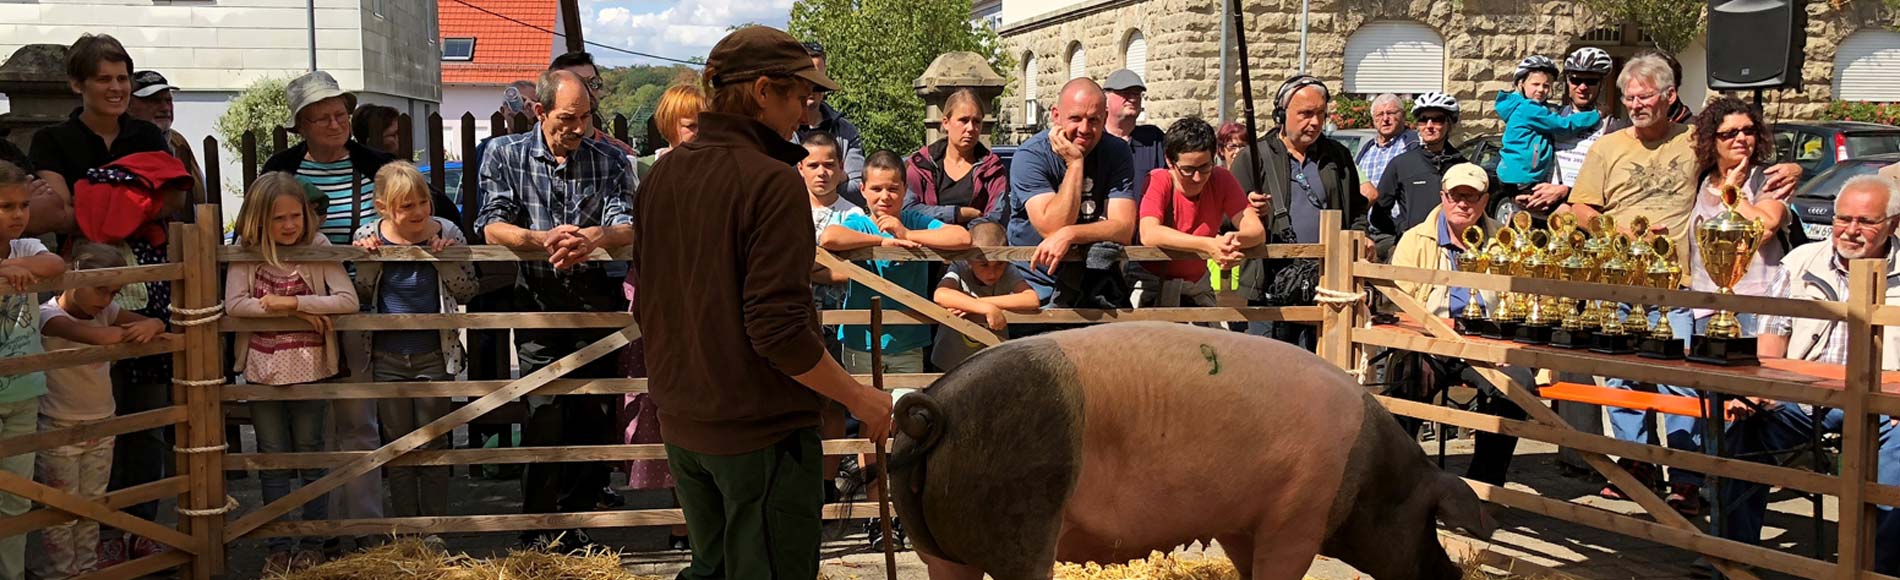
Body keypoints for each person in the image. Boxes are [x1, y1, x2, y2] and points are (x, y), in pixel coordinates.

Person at [634, 26, 894, 580]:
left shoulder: (663, 174)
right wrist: (862, 400)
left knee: (712, 568)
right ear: (760, 91)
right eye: (798, 94)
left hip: (684, 426)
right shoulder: (773, 181)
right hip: (759, 436)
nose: (805, 110)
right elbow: (778, 330)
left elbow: (649, 304)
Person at [1570, 55, 1801, 506]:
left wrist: (1794, 169)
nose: (1635, 105)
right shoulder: (1606, 147)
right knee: (1620, 378)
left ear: (1669, 96)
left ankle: (1686, 475)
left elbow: (1740, 154)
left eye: (1644, 96)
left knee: (1679, 380)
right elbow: (1581, 208)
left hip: (1679, 286)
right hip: (1620, 283)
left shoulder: (1693, 141)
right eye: (1628, 97)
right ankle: (1635, 463)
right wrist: (1620, 233)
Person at [475, 69, 635, 549]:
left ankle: (579, 525)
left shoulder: (609, 158)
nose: (579, 127)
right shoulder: (504, 154)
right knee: (543, 413)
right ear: (540, 111)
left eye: (586, 116)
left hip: (595, 300)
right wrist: (541, 239)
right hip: (537, 299)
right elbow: (492, 223)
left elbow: (626, 223)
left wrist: (594, 237)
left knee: (594, 413)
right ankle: (538, 527)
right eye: (568, 118)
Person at [1726, 174, 1900, 575]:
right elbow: (1771, 339)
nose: (1850, 230)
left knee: (1896, 463)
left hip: (1883, 402)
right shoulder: (1800, 262)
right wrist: (1759, 389)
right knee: (1743, 433)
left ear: (1892, 224)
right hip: (1805, 397)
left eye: (1866, 221)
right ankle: (1731, 558)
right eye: (1843, 219)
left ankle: (1878, 569)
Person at [224, 172, 359, 574]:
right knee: (273, 457)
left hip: (310, 365)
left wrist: (292, 304)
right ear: (258, 220)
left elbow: (347, 300)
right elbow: (235, 304)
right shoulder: (247, 252)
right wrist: (297, 310)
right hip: (262, 368)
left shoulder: (318, 247)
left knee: (310, 453)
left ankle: (312, 543)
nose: (289, 225)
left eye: (295, 216)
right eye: (278, 218)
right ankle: (278, 544)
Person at [348, 162, 476, 545]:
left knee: (433, 441)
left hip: (434, 354)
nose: (419, 212)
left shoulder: (447, 232)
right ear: (383, 208)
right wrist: (367, 263)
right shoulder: (367, 236)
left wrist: (446, 261)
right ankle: (406, 531)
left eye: (423, 202)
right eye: (407, 206)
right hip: (386, 356)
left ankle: (433, 529)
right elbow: (361, 296)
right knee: (398, 444)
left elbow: (467, 290)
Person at [1386, 163, 1536, 486]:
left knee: (1518, 382)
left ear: (1486, 201)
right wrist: (1428, 332)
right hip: (1430, 340)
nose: (1462, 204)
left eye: (1471, 197)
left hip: (1487, 343)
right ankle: (1396, 480)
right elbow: (1398, 303)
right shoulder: (1414, 239)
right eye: (1455, 196)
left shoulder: (1508, 240)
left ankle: (1484, 485)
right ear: (1443, 197)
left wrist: (1507, 344)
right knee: (1408, 375)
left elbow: (1524, 303)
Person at [34, 245, 161, 580]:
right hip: (59, 425)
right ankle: (61, 573)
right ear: (73, 278)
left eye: (113, 293)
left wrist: (154, 323)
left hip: (102, 423)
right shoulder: (49, 317)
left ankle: (87, 570)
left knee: (92, 504)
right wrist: (139, 329)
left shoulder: (105, 310)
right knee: (61, 510)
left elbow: (151, 323)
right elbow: (96, 336)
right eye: (100, 289)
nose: (106, 300)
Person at [620, 81, 705, 552]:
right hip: (661, 294)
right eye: (691, 124)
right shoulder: (645, 169)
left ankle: (704, 516)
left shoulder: (719, 169)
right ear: (671, 124)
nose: (698, 132)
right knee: (663, 407)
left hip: (705, 294)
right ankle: (679, 517)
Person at [1230, 75, 1365, 349]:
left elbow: (1356, 211)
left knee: (1316, 367)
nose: (1315, 122)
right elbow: (1225, 217)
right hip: (1269, 285)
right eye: (1306, 113)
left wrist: (1362, 239)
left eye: (1321, 114)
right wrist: (1248, 211)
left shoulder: (1338, 156)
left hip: (1324, 286)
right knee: (1267, 365)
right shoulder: (1253, 157)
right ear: (1281, 115)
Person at [265, 71, 460, 245]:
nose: (335, 125)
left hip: (370, 273)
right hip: (299, 273)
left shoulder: (378, 165)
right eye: (323, 119)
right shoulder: (281, 168)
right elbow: (256, 225)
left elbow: (439, 209)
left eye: (340, 115)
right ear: (301, 126)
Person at [1006, 77, 1138, 313]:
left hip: (1095, 285)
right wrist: (1075, 163)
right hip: (1035, 286)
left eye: (1094, 120)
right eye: (1075, 118)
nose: (1084, 129)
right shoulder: (1031, 155)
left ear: (1105, 118)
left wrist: (1071, 234)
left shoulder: (1117, 151)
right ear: (1056, 116)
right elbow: (1052, 227)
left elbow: (1124, 228)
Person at [28, 34, 170, 237]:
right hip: (81, 254)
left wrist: (88, 206)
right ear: (77, 85)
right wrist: (137, 204)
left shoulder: (148, 135)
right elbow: (58, 212)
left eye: (122, 79)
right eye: (104, 79)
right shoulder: (50, 140)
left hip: (150, 253)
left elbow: (174, 197)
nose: (116, 88)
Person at [0, 162, 66, 580]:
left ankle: (11, 573)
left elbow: (55, 266)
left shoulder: (25, 247)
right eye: (6, 206)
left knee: (16, 495)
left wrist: (11, 267)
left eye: (23, 205)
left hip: (22, 392)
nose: (18, 215)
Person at [1135, 116, 1265, 307]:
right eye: (1188, 169)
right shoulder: (1159, 179)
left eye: (1205, 167)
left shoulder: (1221, 179)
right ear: (1170, 161)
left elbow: (1256, 231)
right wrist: (1208, 244)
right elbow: (1149, 233)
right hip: (1153, 284)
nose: (1197, 177)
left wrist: (1230, 242)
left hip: (1198, 285)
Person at [1370, 92, 1481, 261]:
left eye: (1437, 120)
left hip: (1456, 250)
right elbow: (1378, 214)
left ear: (1450, 124)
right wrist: (1403, 229)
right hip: (1414, 249)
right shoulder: (1402, 164)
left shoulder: (1463, 167)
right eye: (1423, 120)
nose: (1429, 126)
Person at [1495, 55, 1600, 220]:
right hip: (1523, 176)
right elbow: (1563, 125)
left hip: (1513, 175)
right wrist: (1595, 115)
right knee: (1567, 214)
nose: (1541, 90)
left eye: (1546, 85)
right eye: (1535, 84)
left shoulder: (1523, 106)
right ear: (1521, 84)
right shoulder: (1529, 108)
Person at [930, 222, 1036, 371]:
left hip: (990, 364)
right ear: (969, 260)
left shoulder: (1008, 270)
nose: (992, 273)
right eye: (984, 265)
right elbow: (941, 294)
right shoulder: (960, 267)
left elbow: (1031, 299)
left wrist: (976, 304)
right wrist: (986, 308)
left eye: (999, 264)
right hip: (948, 361)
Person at [903, 88, 1009, 226]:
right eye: (963, 120)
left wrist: (968, 232)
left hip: (978, 237)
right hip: (926, 236)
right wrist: (956, 214)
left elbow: (998, 215)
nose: (970, 128)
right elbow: (906, 210)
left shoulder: (992, 168)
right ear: (946, 122)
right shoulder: (921, 164)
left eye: (976, 121)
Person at [797, 41, 867, 207]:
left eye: (817, 78)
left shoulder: (846, 131)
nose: (811, 86)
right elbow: (777, 190)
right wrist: (837, 176)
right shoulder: (778, 130)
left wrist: (811, 182)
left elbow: (859, 190)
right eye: (806, 78)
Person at [125, 70, 205, 207]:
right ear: (128, 105)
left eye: (168, 100)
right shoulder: (118, 143)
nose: (165, 107)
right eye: (154, 100)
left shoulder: (177, 141)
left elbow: (201, 195)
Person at [549, 51, 638, 157]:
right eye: (577, 84)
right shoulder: (535, 151)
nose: (588, 91)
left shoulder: (620, 153)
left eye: (593, 82)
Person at [1103, 69, 1167, 197]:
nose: (1132, 99)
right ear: (1105, 100)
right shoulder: (1095, 140)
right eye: (1125, 93)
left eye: (1137, 94)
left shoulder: (1153, 140)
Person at [1355, 93, 1418, 203]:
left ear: (1403, 115)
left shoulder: (1413, 144)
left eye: (1390, 113)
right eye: (1379, 114)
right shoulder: (1367, 150)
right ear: (1373, 119)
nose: (1385, 119)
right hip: (1368, 214)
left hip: (1400, 214)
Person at [634, 82, 704, 181]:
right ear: (668, 123)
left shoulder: (718, 168)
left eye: (706, 125)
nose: (700, 131)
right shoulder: (642, 169)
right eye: (691, 126)